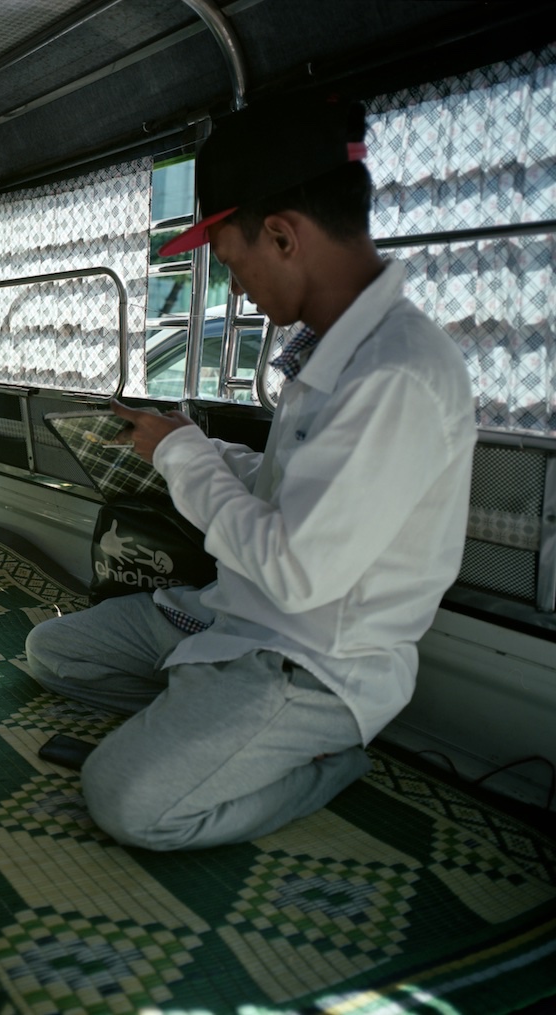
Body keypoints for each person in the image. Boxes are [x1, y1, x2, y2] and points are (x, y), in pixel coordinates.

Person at [25, 97, 475, 851]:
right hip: (230, 614)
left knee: (125, 799)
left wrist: (186, 460)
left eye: (232, 263)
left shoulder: (395, 373)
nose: (235, 290)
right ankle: (204, 724)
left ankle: (320, 760)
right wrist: (183, 446)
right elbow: (288, 488)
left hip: (309, 661)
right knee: (55, 651)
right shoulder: (334, 351)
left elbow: (299, 571)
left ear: (281, 234)